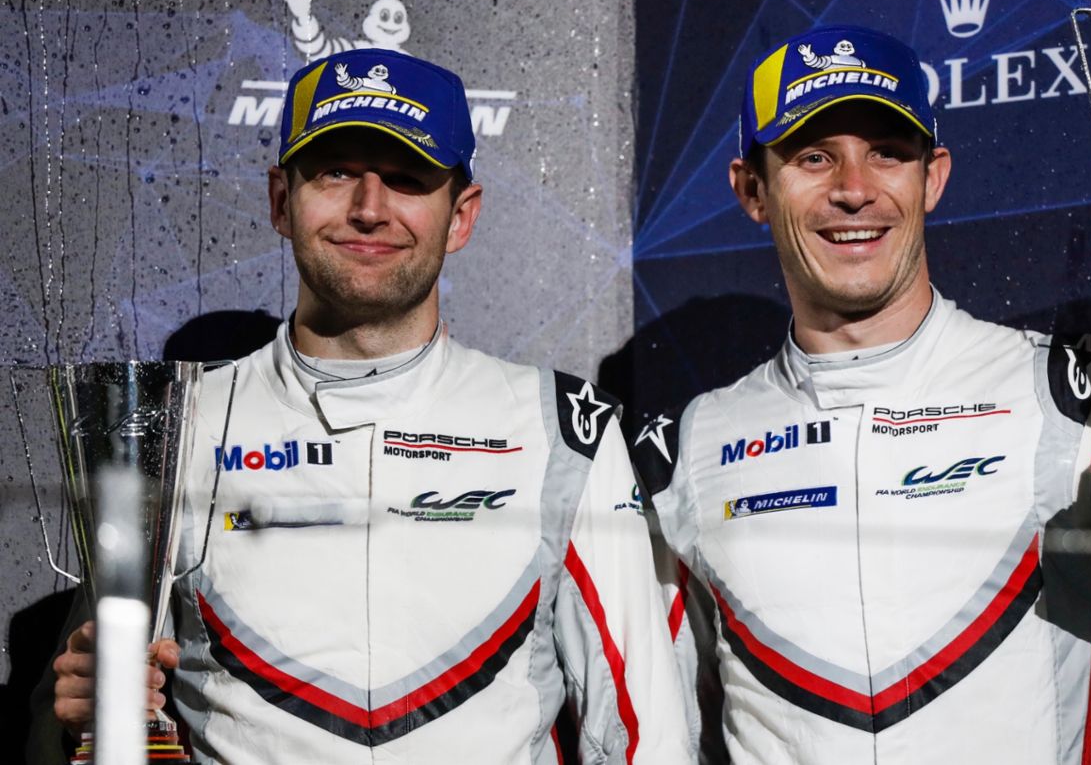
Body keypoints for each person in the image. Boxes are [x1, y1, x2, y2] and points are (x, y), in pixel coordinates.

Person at [630, 25, 1091, 764]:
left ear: (934, 177)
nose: (853, 190)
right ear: (752, 189)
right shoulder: (697, 445)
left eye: (887, 153)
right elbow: (658, 730)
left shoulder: (1075, 394)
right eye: (813, 156)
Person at [50, 49, 692, 764]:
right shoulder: (173, 425)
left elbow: (647, 737)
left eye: (407, 178)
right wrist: (97, 709)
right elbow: (103, 711)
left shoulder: (562, 430)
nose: (368, 208)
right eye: (335, 172)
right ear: (278, 201)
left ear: (461, 216)